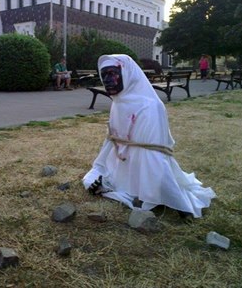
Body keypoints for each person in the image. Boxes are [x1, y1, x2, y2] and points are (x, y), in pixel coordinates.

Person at [82, 54, 216, 219]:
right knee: (91, 178)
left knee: (145, 182)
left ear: (127, 73)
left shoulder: (150, 106)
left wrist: (178, 201)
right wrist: (101, 167)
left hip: (146, 166)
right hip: (124, 163)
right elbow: (113, 140)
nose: (107, 80)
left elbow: (155, 155)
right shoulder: (118, 103)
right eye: (104, 75)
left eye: (112, 73)